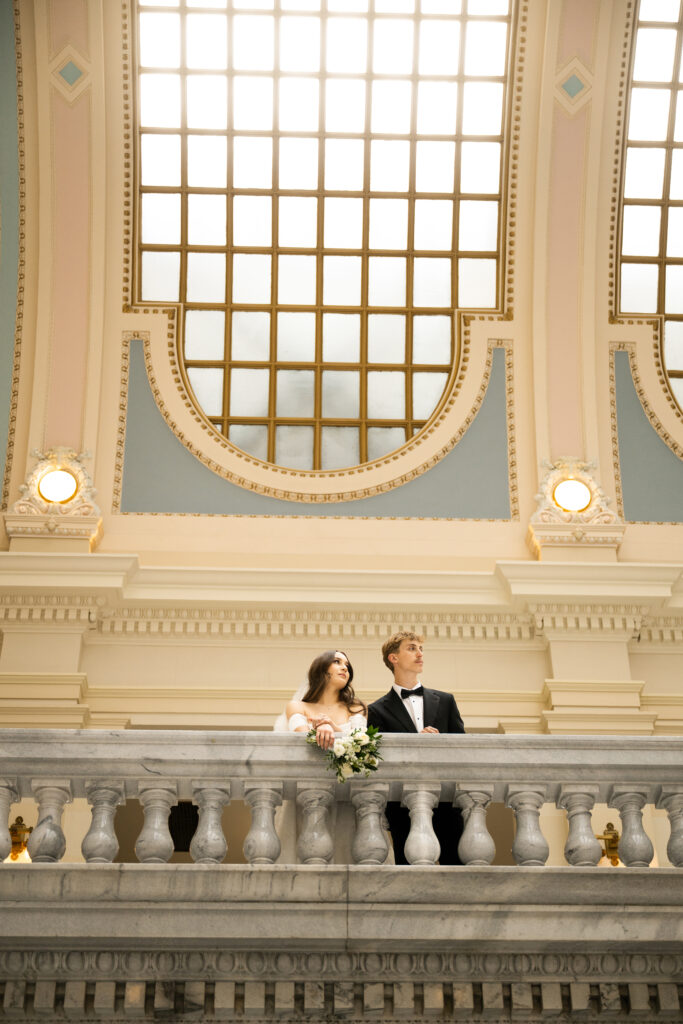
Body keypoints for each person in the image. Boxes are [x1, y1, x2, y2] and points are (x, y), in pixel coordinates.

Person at [367, 630, 465, 865]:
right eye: (412, 648)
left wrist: (440, 743)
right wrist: (413, 743)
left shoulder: (446, 700)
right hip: (402, 806)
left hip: (446, 802)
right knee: (409, 874)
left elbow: (462, 749)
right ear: (393, 658)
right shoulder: (376, 710)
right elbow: (377, 760)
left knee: (456, 868)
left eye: (421, 649)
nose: (420, 654)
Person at [285, 649, 367, 749]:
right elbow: (305, 744)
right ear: (321, 669)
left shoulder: (357, 707)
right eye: (337, 661)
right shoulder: (297, 707)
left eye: (347, 665)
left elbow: (358, 746)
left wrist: (331, 726)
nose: (345, 668)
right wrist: (322, 726)